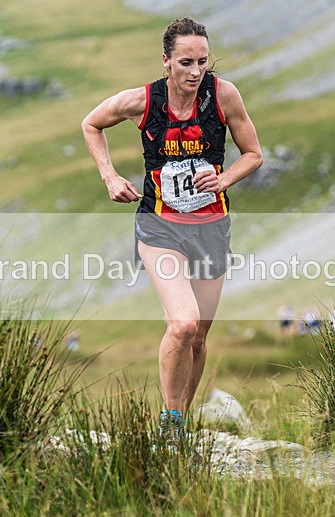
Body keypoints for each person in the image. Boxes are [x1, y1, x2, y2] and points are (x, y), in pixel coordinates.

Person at [81, 17, 262, 440]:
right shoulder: (142, 101)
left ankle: (179, 421)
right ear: (166, 61)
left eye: (202, 61)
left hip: (212, 226)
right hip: (159, 225)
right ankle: (171, 422)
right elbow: (91, 124)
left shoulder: (224, 95)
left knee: (197, 337)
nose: (196, 71)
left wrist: (223, 179)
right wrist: (109, 176)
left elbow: (253, 154)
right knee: (182, 323)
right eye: (185, 62)